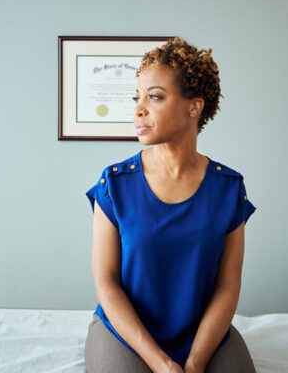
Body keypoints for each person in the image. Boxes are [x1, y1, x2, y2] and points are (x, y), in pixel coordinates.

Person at [84, 37, 257, 373]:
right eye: (138, 98)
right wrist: (160, 363)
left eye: (155, 97)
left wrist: (194, 363)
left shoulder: (229, 188)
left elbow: (227, 287)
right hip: (126, 333)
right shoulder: (114, 184)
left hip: (203, 334)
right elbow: (106, 283)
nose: (138, 109)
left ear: (194, 107)